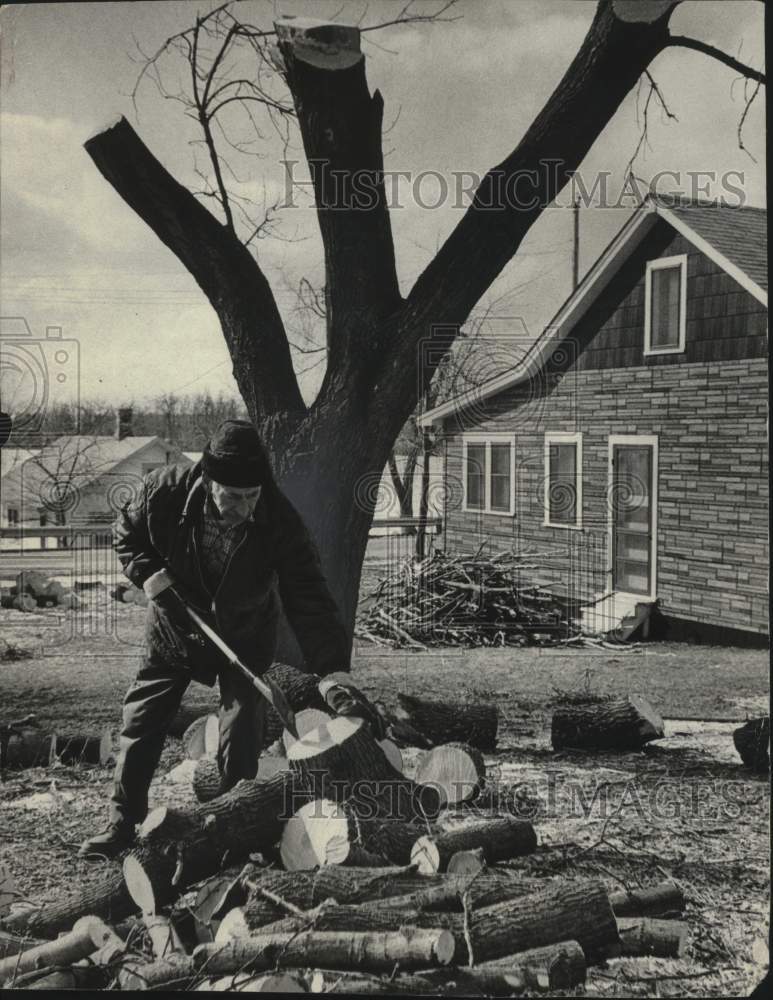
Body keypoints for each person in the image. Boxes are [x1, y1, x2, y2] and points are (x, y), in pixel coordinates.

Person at [79, 419, 382, 858]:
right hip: (174, 627)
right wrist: (147, 573)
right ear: (206, 480)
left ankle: (229, 833)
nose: (244, 506)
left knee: (242, 737)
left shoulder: (278, 519)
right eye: (232, 496)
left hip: (244, 637)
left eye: (251, 496)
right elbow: (126, 531)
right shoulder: (162, 492)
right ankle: (122, 824)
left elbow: (309, 596)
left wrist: (333, 669)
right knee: (142, 722)